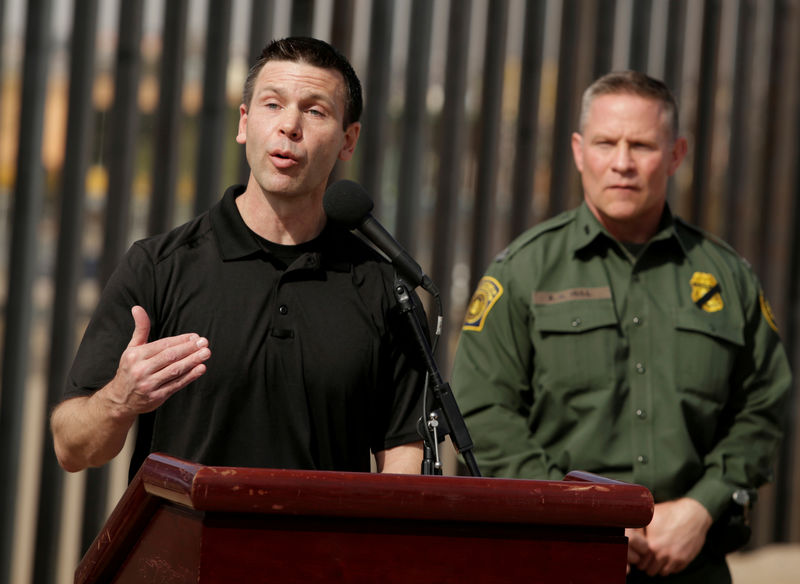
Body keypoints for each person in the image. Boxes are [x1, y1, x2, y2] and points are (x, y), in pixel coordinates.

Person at [451, 71, 791, 583]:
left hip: (690, 561)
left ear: (676, 154)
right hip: (554, 561)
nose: (623, 163)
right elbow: (482, 411)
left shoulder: (728, 278)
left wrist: (702, 505)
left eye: (643, 145)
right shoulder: (521, 272)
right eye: (607, 143)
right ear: (578, 150)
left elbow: (762, 406)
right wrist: (579, 510)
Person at [52, 37, 426, 480]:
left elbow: (404, 455)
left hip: (323, 550)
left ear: (348, 140)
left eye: (315, 110)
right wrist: (122, 396)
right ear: (244, 122)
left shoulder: (385, 289)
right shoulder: (159, 265)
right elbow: (70, 446)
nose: (290, 126)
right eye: (272, 104)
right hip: (186, 549)